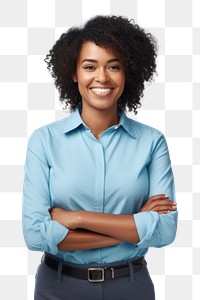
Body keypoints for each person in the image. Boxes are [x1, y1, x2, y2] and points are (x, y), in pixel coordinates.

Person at [22, 15, 178, 300]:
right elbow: (35, 236)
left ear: (127, 73)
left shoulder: (151, 142)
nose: (102, 77)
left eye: (114, 66)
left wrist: (77, 218)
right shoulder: (44, 141)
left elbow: (165, 231)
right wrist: (134, 224)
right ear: (74, 73)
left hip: (130, 286)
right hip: (58, 287)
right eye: (90, 66)